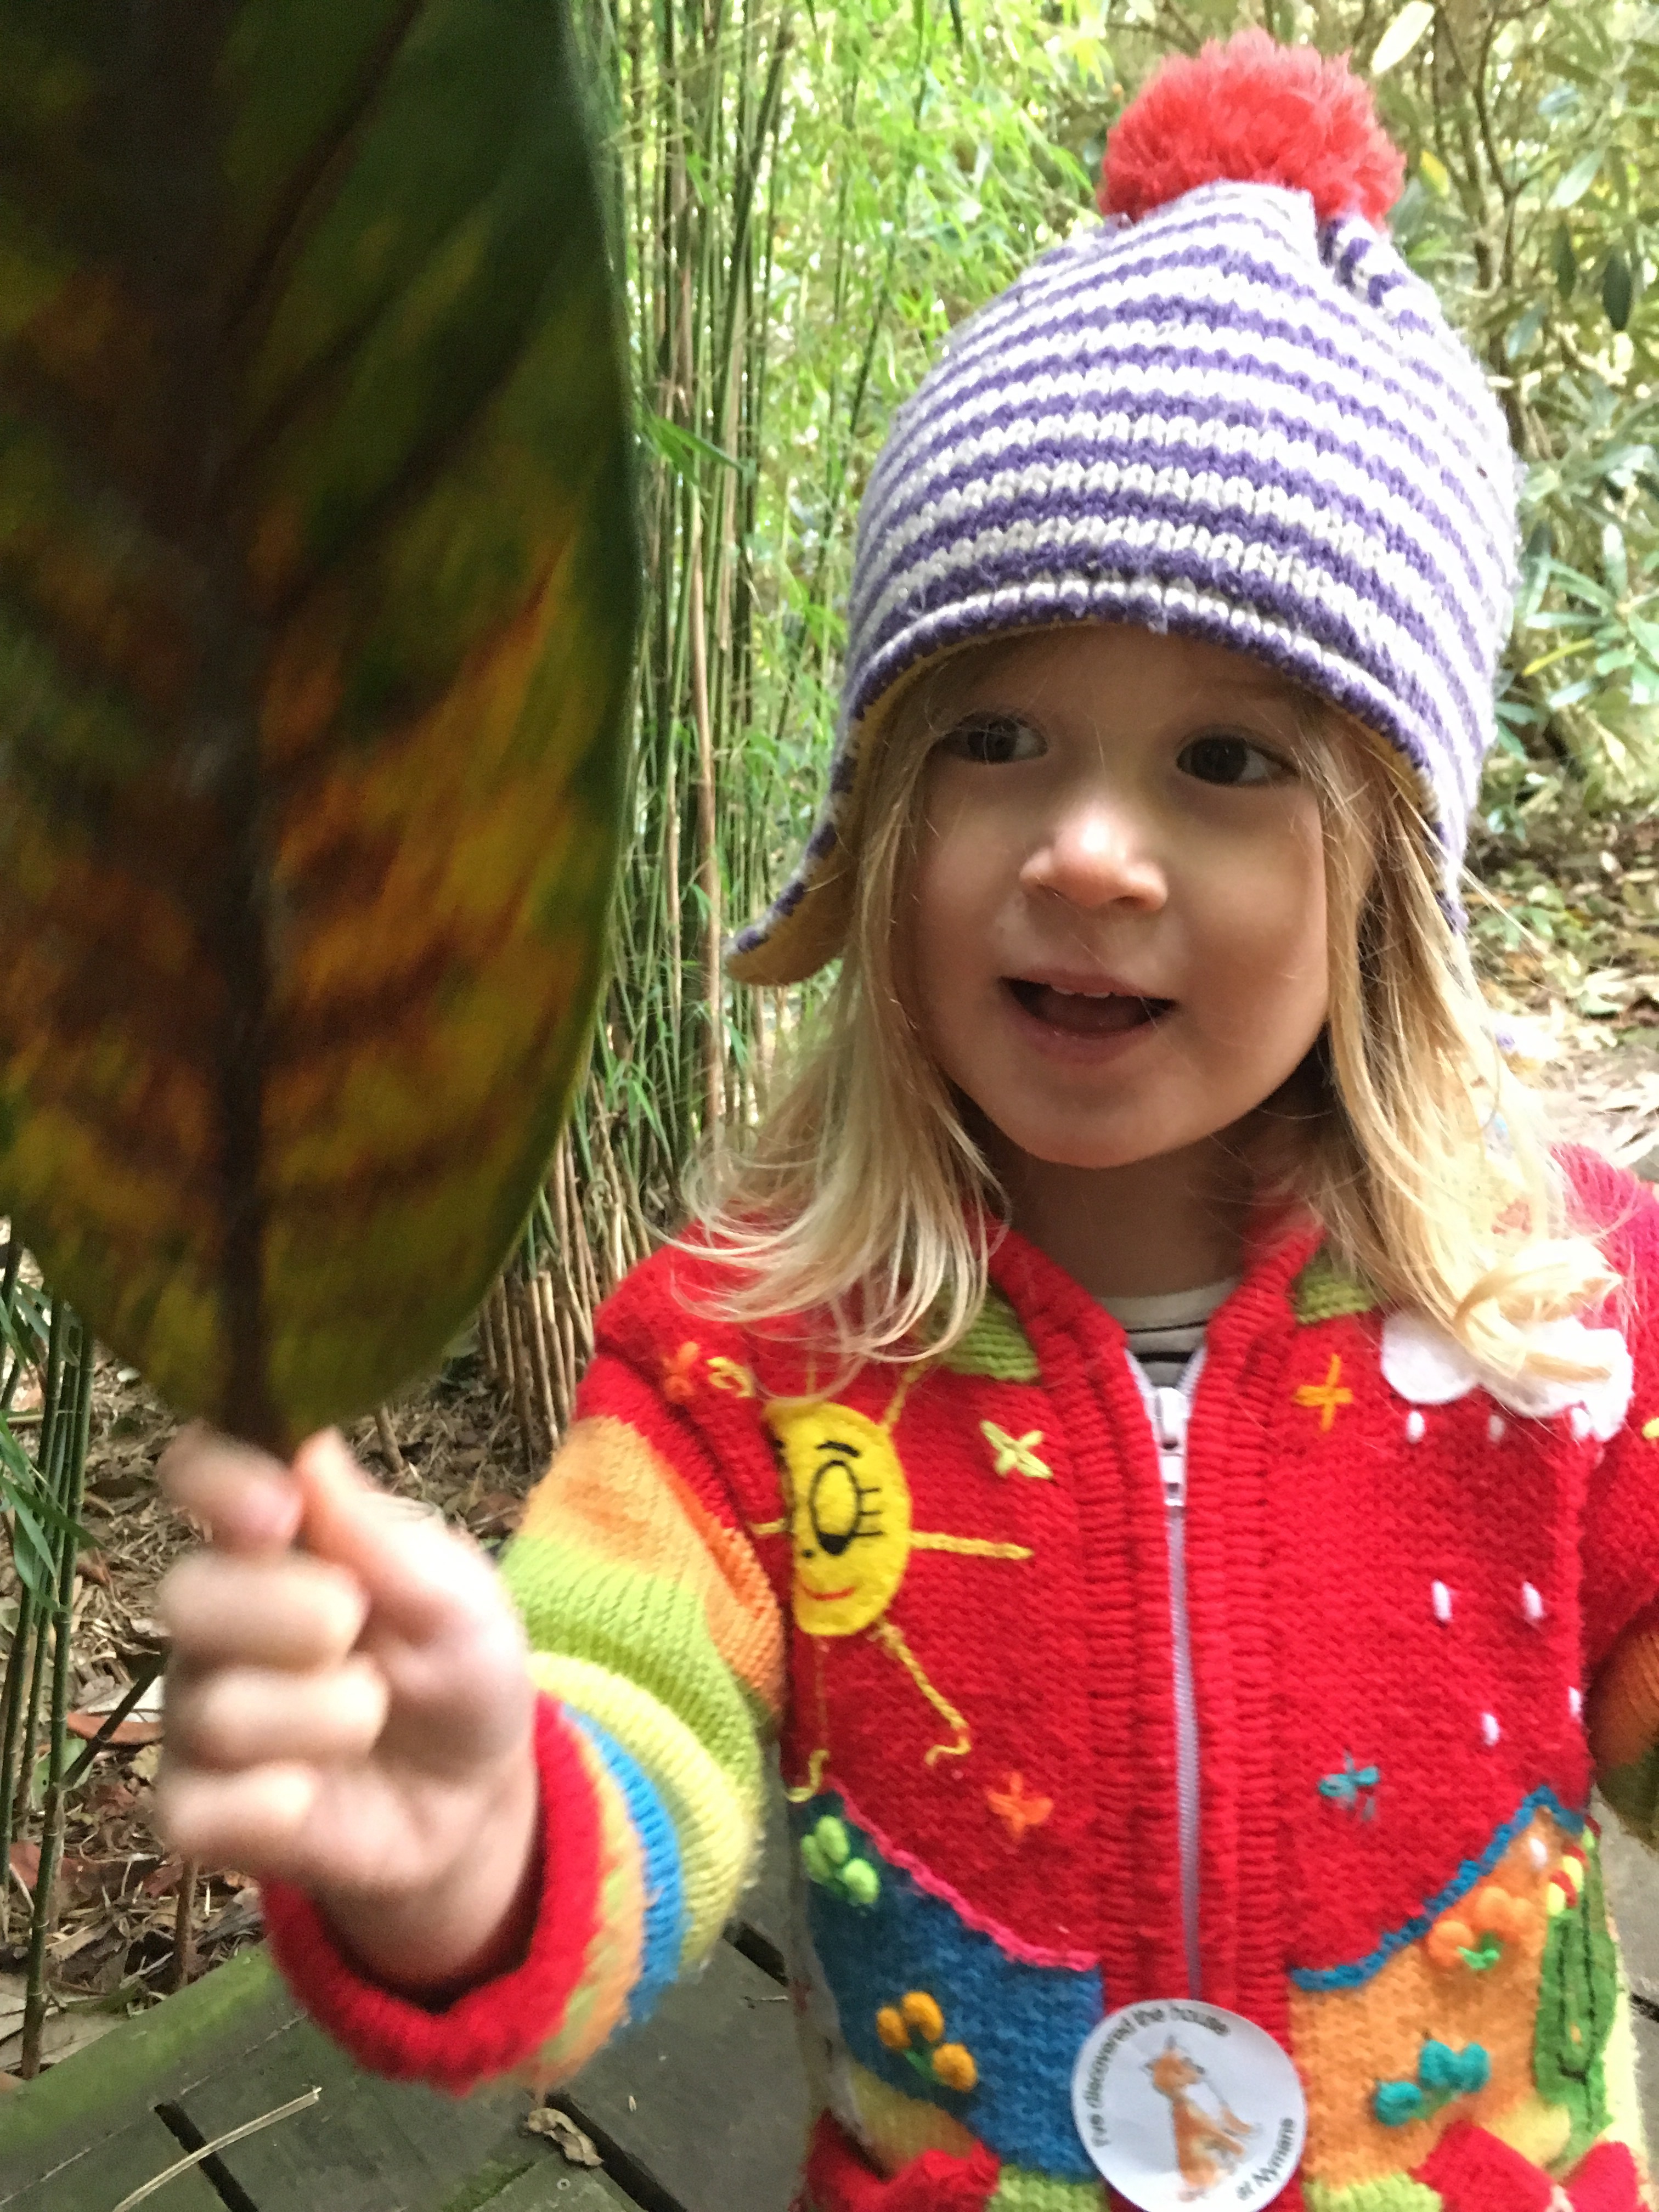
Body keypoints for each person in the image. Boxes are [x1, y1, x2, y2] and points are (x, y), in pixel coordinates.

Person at [155, 32, 1659, 2212]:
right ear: (876, 825)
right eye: (997, 738)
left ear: (1393, 880)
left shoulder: (1568, 1323)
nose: (1089, 851)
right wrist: (476, 1844)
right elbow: (625, 1720)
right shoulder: (748, 1359)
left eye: (1230, 761)